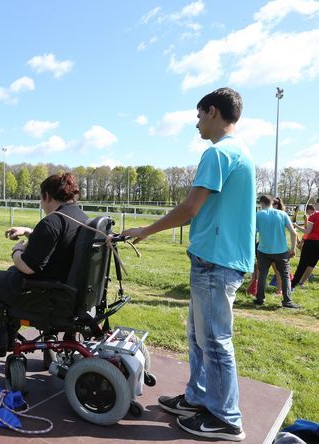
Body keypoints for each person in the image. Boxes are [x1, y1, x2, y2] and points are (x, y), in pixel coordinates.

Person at [122, 87, 253, 442]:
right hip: (214, 260)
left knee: (214, 341)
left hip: (216, 262)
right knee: (198, 337)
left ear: (212, 112)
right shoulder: (238, 151)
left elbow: (190, 208)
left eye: (198, 116)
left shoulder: (218, 153)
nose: (196, 124)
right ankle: (197, 398)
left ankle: (226, 418)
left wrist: (147, 230)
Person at [0, 173, 88, 374]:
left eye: (41, 198)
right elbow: (61, 242)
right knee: (9, 276)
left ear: (47, 196)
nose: (41, 204)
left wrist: (17, 251)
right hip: (68, 292)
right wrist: (31, 232)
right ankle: (5, 334)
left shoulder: (52, 222)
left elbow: (28, 267)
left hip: (48, 295)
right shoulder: (80, 217)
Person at [253, 195, 299, 308]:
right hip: (281, 251)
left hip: (263, 250)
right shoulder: (282, 214)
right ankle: (287, 301)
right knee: (285, 275)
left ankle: (260, 299)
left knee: (262, 274)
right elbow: (293, 233)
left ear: (261, 203)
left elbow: (252, 234)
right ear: (272, 202)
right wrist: (293, 249)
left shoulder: (258, 215)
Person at [292, 203, 319, 289]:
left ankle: (292, 285)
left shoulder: (314, 215)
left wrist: (296, 226)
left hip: (311, 243)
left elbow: (307, 231)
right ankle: (301, 282)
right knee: (311, 264)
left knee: (302, 265)